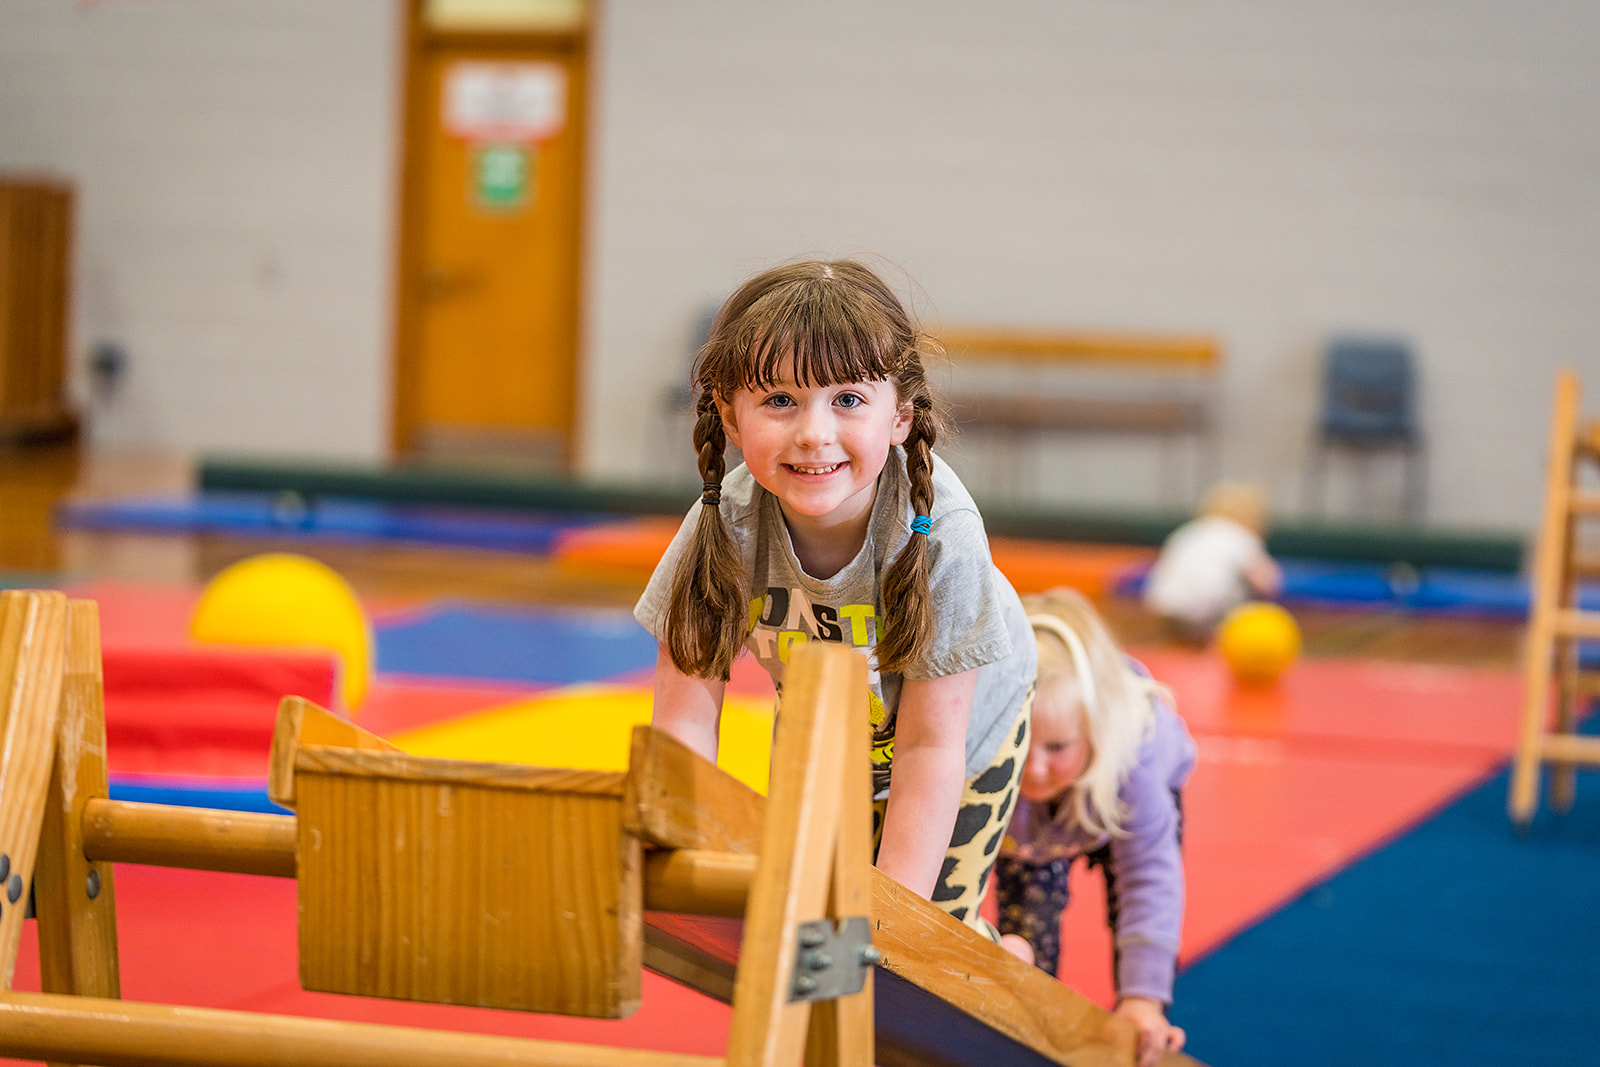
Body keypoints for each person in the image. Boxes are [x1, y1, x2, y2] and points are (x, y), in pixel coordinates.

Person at [634, 258, 1036, 939]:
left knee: (916, 955)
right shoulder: (724, 527)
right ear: (732, 418)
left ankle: (1000, 951)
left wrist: (889, 921)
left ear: (900, 417)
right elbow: (685, 720)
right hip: (827, 735)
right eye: (780, 400)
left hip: (960, 741)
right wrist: (673, 852)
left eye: (847, 399)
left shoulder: (942, 537)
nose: (814, 433)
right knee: (807, 937)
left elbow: (928, 752)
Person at [996, 587, 1194, 1067]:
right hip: (1033, 825)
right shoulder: (988, 753)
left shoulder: (1133, 763)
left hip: (1107, 796)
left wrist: (1142, 1000)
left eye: (1057, 747)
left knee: (1134, 925)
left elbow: (1149, 881)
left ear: (1092, 729)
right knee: (1026, 927)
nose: (1035, 769)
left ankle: (1146, 1004)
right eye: (1022, 741)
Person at [1142, 480, 1283, 643]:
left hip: (1161, 606)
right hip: (1205, 615)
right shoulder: (1241, 536)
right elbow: (1266, 582)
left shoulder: (1189, 531)